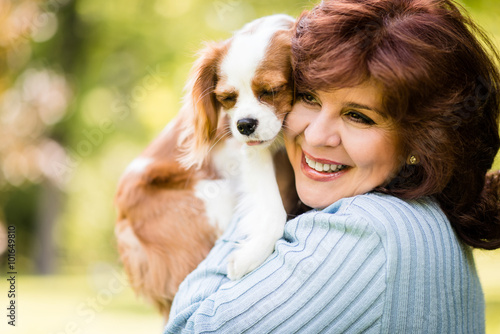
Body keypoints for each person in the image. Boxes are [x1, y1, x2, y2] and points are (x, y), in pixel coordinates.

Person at [164, 0, 500, 332]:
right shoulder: (423, 213)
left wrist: (264, 195)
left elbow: (189, 328)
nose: (315, 135)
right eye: (308, 98)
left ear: (423, 140)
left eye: (359, 116)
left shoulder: (364, 233)